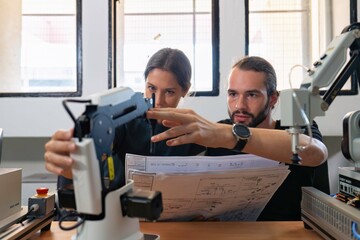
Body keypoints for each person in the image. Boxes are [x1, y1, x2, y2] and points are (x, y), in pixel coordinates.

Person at [146, 56, 329, 221]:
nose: (239, 105)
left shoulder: (298, 129)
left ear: (273, 99)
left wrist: (232, 136)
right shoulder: (218, 133)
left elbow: (316, 153)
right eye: (233, 94)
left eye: (251, 95)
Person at [44, 48, 205, 192]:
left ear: (185, 90)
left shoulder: (193, 131)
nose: (158, 101)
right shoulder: (121, 119)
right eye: (151, 88)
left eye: (169, 92)